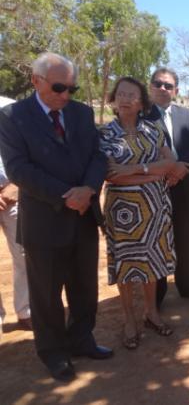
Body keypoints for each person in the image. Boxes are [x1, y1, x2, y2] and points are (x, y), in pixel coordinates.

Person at [0, 53, 112, 382]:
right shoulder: (12, 116)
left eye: (71, 89)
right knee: (46, 294)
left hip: (84, 216)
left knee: (84, 288)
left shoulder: (82, 112)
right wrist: (68, 196)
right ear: (36, 81)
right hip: (44, 220)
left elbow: (97, 155)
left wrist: (89, 189)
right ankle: (53, 352)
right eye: (59, 87)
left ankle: (82, 339)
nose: (66, 95)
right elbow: (19, 169)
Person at [100, 77, 177, 349]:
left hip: (155, 209)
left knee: (151, 262)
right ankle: (129, 319)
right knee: (126, 264)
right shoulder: (105, 134)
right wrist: (151, 173)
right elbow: (111, 175)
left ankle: (151, 313)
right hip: (122, 213)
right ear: (113, 99)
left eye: (131, 94)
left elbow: (170, 164)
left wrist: (135, 170)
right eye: (120, 94)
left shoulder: (153, 129)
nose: (124, 98)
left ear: (142, 101)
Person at [146, 68, 189, 306]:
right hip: (155, 188)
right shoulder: (141, 116)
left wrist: (182, 168)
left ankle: (187, 285)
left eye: (168, 85)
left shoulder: (186, 114)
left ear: (176, 90)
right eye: (158, 84)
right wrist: (166, 171)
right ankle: (158, 292)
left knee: (186, 240)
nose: (163, 89)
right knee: (159, 241)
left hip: (184, 185)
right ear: (151, 86)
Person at [0, 95, 31, 337]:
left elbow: (30, 152)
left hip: (12, 191)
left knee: (24, 253)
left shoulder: (11, 109)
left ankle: (26, 311)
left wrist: (16, 185)